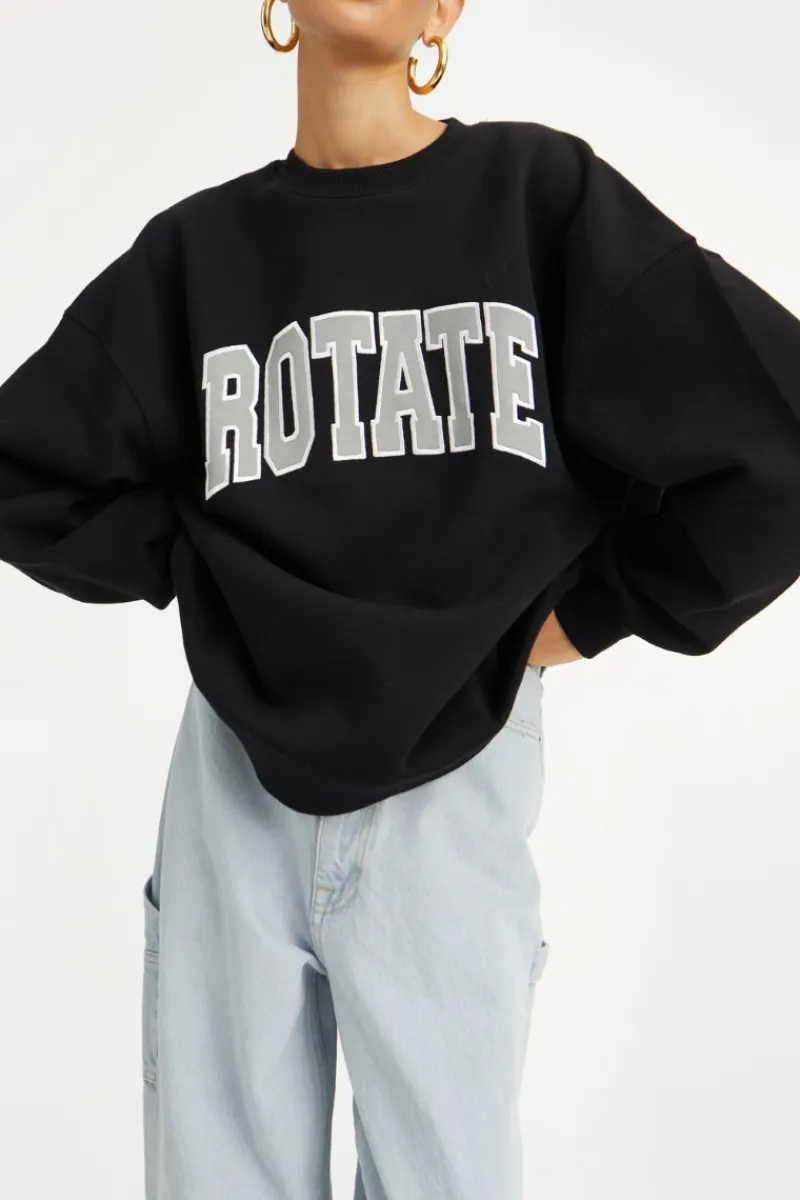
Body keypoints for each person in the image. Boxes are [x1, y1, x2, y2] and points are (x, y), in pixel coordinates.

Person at [2, 1, 800, 1196]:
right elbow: (26, 471)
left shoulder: (538, 202)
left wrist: (584, 616)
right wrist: (204, 568)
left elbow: (770, 445)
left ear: (445, 9)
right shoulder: (197, 255)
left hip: (456, 775)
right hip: (232, 781)